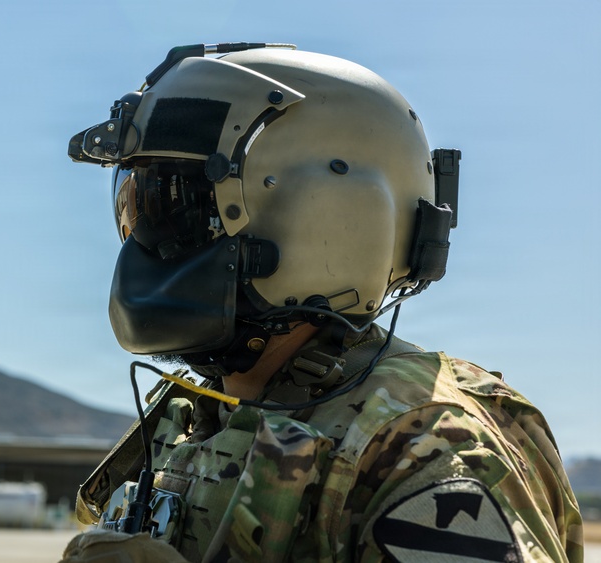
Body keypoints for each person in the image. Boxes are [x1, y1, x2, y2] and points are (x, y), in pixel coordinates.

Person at [60, 43, 583, 562]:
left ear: (324, 214)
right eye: (136, 206)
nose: (144, 243)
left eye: (174, 205)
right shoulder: (198, 415)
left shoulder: (424, 444)